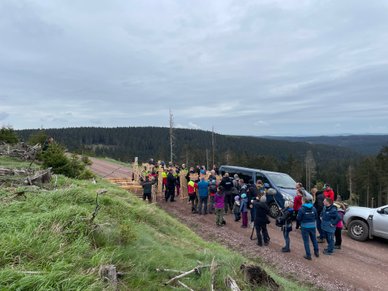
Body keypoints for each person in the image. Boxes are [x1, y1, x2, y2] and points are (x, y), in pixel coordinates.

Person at [297, 195, 319, 260]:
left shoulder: (301, 209)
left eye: (302, 200)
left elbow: (298, 218)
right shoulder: (313, 208)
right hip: (312, 226)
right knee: (314, 239)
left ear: (303, 201)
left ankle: (308, 255)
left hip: (304, 227)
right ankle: (316, 252)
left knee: (306, 241)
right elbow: (316, 216)